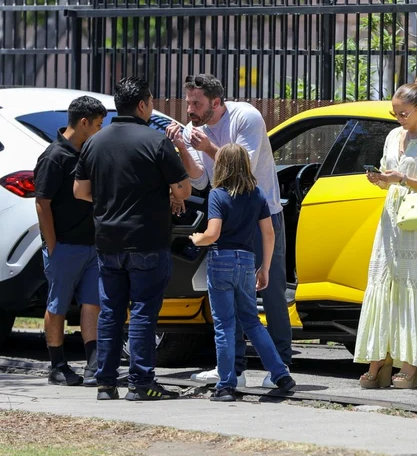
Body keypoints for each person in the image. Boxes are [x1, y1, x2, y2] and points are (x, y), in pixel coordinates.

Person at [165, 73, 292, 389]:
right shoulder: (193, 129)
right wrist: (182, 145)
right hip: (227, 219)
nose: (190, 110)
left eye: (197, 103)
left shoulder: (246, 116)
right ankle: (233, 369)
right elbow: (198, 180)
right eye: (188, 102)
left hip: (261, 214)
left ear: (216, 102)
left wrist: (208, 146)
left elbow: (241, 168)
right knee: (227, 296)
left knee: (271, 291)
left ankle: (281, 365)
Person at [74, 77, 191, 401]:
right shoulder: (155, 142)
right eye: (151, 101)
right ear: (142, 104)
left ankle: (105, 383)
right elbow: (184, 189)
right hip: (147, 240)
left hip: (108, 240)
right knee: (142, 312)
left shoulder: (95, 143)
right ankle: (141, 383)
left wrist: (111, 197)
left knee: (110, 312)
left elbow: (80, 191)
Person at [353, 77, 417, 389]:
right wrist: (381, 179)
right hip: (391, 220)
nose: (399, 119)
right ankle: (379, 362)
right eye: (395, 114)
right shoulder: (393, 136)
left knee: (415, 289)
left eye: (404, 113)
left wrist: (403, 179)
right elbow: (388, 175)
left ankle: (412, 366)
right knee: (384, 284)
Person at [189, 143, 296, 401]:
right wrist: (266, 267)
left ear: (222, 166)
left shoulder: (218, 195)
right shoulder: (257, 194)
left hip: (221, 261)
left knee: (225, 324)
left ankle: (226, 384)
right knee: (252, 322)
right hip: (247, 262)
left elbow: (213, 233)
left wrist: (197, 238)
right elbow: (269, 233)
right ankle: (280, 373)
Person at [34, 96, 107, 386]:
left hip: (92, 245)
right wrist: (52, 246)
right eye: (99, 124)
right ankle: (57, 365)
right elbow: (42, 203)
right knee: (58, 305)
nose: (102, 130)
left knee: (92, 303)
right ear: (84, 123)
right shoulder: (54, 156)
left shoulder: (88, 153)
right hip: (64, 245)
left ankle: (93, 363)